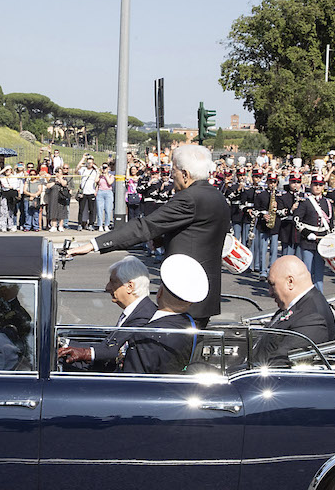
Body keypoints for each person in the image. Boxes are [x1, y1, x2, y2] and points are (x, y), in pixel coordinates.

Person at [68, 144, 229, 326]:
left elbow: (144, 226)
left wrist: (93, 244)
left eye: (173, 171)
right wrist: (161, 239)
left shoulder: (189, 198)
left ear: (185, 174)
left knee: (169, 343)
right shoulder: (216, 196)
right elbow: (197, 234)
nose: (171, 176)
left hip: (183, 295)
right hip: (203, 294)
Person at [57, 256, 158, 371]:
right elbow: (107, 346)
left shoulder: (144, 315)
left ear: (130, 287)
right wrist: (64, 342)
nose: (107, 288)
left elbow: (113, 350)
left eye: (113, 282)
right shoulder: (138, 310)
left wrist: (84, 353)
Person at [118, 253, 208, 374]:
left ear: (160, 292)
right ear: (190, 303)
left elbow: (132, 380)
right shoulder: (189, 324)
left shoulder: (145, 336)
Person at [250, 254, 335, 364]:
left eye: (272, 284)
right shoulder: (302, 304)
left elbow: (280, 363)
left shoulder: (311, 319)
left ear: (290, 282)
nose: (270, 292)